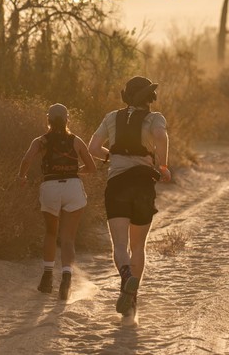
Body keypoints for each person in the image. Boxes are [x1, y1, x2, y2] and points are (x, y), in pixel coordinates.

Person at [89, 76, 171, 318]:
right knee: (138, 246)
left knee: (119, 244)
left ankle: (126, 277)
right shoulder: (155, 118)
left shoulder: (111, 117)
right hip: (143, 184)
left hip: (117, 184)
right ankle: (132, 302)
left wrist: (111, 157)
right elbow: (161, 137)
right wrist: (163, 166)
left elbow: (93, 148)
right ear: (150, 97)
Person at [17, 103, 98, 300]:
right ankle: (66, 278)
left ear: (48, 120)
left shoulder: (41, 141)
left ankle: (47, 278)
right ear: (67, 120)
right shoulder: (76, 140)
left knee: (51, 233)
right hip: (73, 187)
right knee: (68, 238)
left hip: (50, 187)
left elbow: (26, 160)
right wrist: (74, 171)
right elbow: (92, 167)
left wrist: (21, 177)